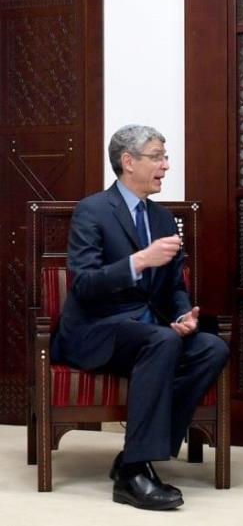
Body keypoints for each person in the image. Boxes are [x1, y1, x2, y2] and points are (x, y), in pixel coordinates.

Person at [53, 124, 229, 510]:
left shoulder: (164, 219)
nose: (165, 165)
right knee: (162, 339)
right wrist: (139, 261)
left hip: (148, 331)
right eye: (157, 157)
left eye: (165, 157)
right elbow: (82, 285)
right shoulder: (92, 210)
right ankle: (134, 475)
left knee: (211, 348)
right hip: (97, 331)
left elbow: (173, 287)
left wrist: (185, 314)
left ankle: (133, 458)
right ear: (127, 162)